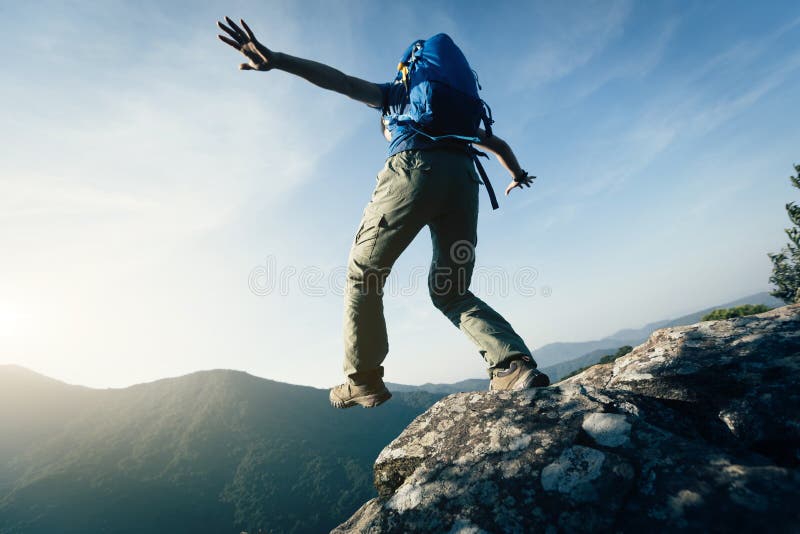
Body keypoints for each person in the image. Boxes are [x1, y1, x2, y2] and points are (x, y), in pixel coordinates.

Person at [217, 17, 550, 409]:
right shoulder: (460, 122)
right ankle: (512, 365)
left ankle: (363, 379)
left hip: (412, 174)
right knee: (452, 291)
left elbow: (338, 80)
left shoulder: (395, 97)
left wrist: (277, 59)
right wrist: (517, 174)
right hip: (463, 179)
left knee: (364, 272)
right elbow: (499, 145)